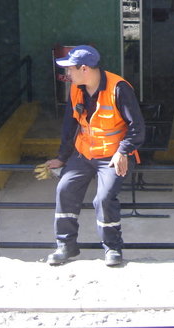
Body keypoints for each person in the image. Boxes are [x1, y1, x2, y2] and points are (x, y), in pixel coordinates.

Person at [44, 45, 145, 267]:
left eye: (70, 69)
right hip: (84, 153)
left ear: (85, 69)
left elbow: (137, 127)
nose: (67, 74)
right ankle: (66, 246)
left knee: (104, 198)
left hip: (112, 155)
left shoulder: (119, 88)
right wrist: (62, 157)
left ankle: (112, 249)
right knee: (64, 189)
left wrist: (123, 152)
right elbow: (69, 126)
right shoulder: (76, 88)